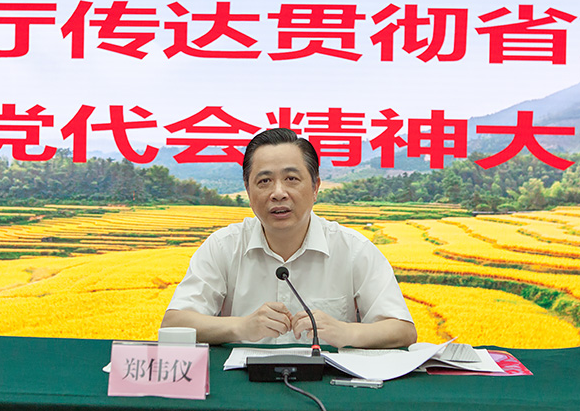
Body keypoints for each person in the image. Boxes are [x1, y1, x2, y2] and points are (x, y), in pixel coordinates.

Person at [160, 128, 417, 348]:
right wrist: (241, 326)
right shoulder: (223, 246)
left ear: (315, 187)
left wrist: (347, 332)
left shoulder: (353, 249)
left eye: (291, 179)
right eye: (264, 181)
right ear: (248, 191)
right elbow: (174, 323)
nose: (278, 193)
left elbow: (403, 330)